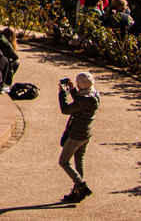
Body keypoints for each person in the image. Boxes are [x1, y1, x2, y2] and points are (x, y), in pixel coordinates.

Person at [58, 70, 101, 203]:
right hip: (87, 134)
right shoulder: (95, 95)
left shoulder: (83, 101)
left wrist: (62, 93)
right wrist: (72, 89)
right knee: (79, 161)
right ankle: (77, 192)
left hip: (76, 135)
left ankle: (81, 186)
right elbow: (80, 99)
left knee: (63, 162)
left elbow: (65, 109)